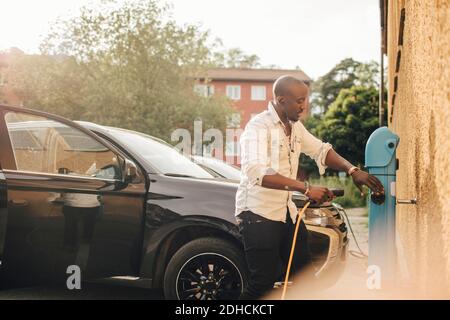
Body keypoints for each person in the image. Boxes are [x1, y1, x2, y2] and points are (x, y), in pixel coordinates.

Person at [236, 75, 384, 300]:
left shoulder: (296, 128)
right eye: (299, 101)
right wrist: (306, 188)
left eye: (306, 100)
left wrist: (353, 170)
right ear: (281, 99)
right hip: (257, 214)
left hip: (287, 214)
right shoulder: (258, 127)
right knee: (262, 284)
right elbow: (256, 171)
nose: (304, 106)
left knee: (305, 277)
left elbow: (321, 150)